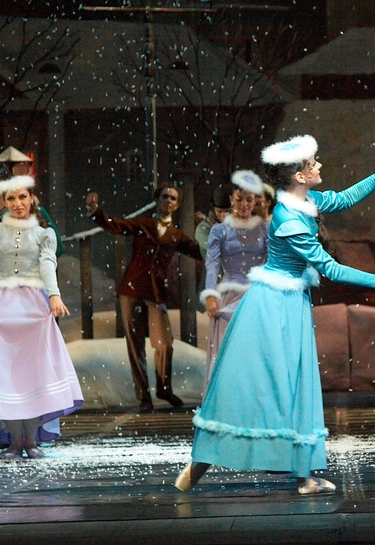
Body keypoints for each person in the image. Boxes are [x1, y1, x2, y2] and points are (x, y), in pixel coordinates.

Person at [175, 135, 375, 495]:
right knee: (258, 387)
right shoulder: (289, 217)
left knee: (293, 385)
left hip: (289, 304)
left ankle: (303, 477)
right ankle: (203, 462)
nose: (320, 166)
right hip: (272, 307)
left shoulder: (305, 201)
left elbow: (343, 198)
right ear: (299, 175)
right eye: (313, 163)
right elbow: (329, 267)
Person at [0, 175, 83, 458]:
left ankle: (31, 440)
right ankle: (15, 441)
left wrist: (54, 295)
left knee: (34, 374)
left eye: (22, 197)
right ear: (4, 202)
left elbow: (47, 264)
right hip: (3, 306)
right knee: (5, 375)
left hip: (33, 305)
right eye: (11, 198)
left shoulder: (44, 233)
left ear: (31, 199)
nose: (17, 203)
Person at [87, 183, 202, 412]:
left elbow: (201, 251)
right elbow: (116, 225)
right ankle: (143, 397)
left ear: (177, 205)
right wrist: (95, 211)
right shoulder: (144, 225)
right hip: (132, 290)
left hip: (156, 293)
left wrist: (206, 227)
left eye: (172, 198)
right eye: (164, 197)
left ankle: (164, 388)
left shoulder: (177, 236)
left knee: (164, 343)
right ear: (157, 201)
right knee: (135, 343)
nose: (168, 201)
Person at [199, 171, 269, 394]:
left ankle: (253, 403)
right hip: (229, 297)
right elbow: (212, 264)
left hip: (256, 296)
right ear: (231, 199)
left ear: (256, 201)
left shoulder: (265, 228)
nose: (244, 204)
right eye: (239, 199)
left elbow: (273, 262)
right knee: (228, 353)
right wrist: (210, 294)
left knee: (255, 354)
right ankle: (226, 403)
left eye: (249, 199)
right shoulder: (219, 230)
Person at [195, 186, 231, 260]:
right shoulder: (203, 229)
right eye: (220, 211)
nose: (224, 215)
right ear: (214, 209)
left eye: (228, 211)